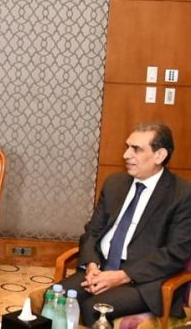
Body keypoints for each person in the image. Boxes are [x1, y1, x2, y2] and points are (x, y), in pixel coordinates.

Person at [56, 122, 191, 325]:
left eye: (136, 149)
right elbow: (92, 231)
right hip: (100, 269)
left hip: (143, 280)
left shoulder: (182, 194)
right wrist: (92, 265)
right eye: (127, 147)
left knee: (93, 309)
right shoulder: (115, 183)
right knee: (55, 298)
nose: (126, 155)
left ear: (159, 155)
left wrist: (122, 276)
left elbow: (175, 253)